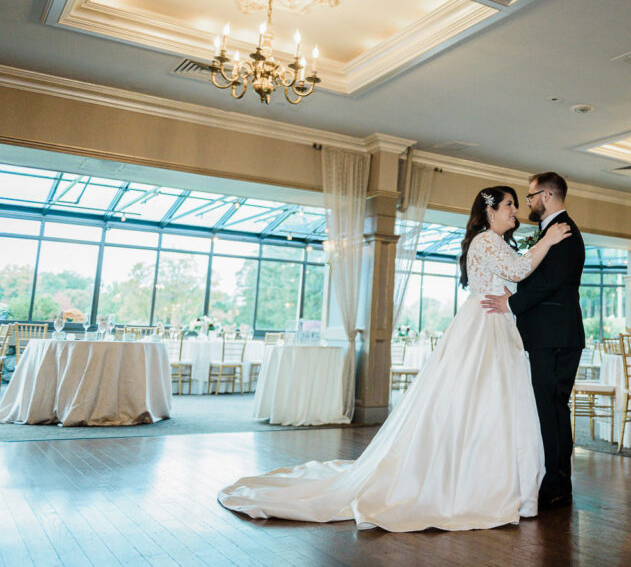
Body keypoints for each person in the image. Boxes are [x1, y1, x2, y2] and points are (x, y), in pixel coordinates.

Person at [218, 186, 571, 532]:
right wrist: (548, 240)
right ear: (491, 211)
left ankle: (495, 479)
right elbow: (521, 269)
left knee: (496, 404)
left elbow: (511, 277)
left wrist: (511, 292)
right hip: (485, 327)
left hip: (495, 323)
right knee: (480, 401)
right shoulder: (485, 241)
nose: (515, 210)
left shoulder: (493, 242)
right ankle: (471, 482)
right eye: (510, 204)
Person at [481, 172, 585, 507]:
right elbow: (539, 276)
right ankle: (553, 479)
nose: (527, 203)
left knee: (552, 408)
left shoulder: (565, 231)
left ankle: (556, 484)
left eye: (530, 196)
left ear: (548, 195)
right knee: (550, 408)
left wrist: (510, 303)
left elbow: (551, 282)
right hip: (549, 334)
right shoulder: (551, 233)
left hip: (554, 335)